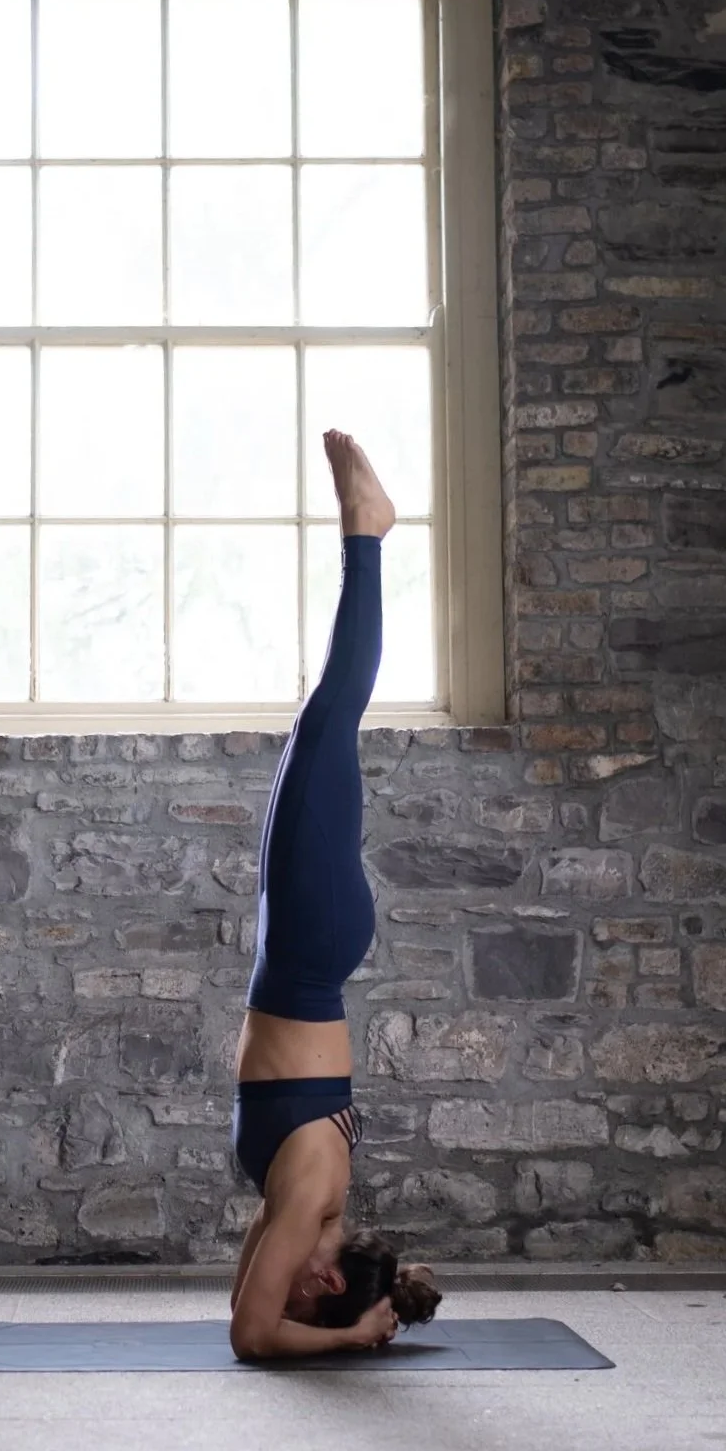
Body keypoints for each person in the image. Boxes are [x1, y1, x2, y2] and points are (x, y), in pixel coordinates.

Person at [227, 430, 444, 1361]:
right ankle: (368, 532)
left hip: (298, 952)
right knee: (330, 712)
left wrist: (359, 1317)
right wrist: (355, 1333)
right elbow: (251, 1337)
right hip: (309, 954)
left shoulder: (300, 1210)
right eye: (299, 1286)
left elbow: (248, 1311)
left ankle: (365, 532)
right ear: (318, 1279)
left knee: (316, 723)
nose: (276, 1276)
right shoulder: (314, 1193)